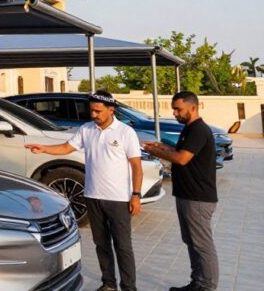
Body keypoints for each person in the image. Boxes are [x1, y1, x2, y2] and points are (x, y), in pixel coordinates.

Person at [25, 90, 143, 291]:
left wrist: (136, 195)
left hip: (118, 199)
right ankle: (108, 284)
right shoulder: (87, 129)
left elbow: (136, 166)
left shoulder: (125, 132)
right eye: (91, 110)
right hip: (92, 196)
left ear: (111, 109)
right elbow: (66, 148)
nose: (93, 114)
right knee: (101, 244)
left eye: (98, 111)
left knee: (123, 246)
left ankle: (129, 287)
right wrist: (44, 149)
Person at [142, 91, 218, 291]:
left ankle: (208, 286)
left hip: (198, 198)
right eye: (174, 109)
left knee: (202, 244)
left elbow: (182, 158)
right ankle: (197, 283)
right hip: (186, 195)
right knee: (192, 241)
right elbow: (178, 153)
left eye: (178, 109)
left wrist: (154, 151)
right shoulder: (188, 129)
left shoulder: (199, 130)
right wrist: (162, 147)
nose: (175, 113)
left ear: (193, 107)